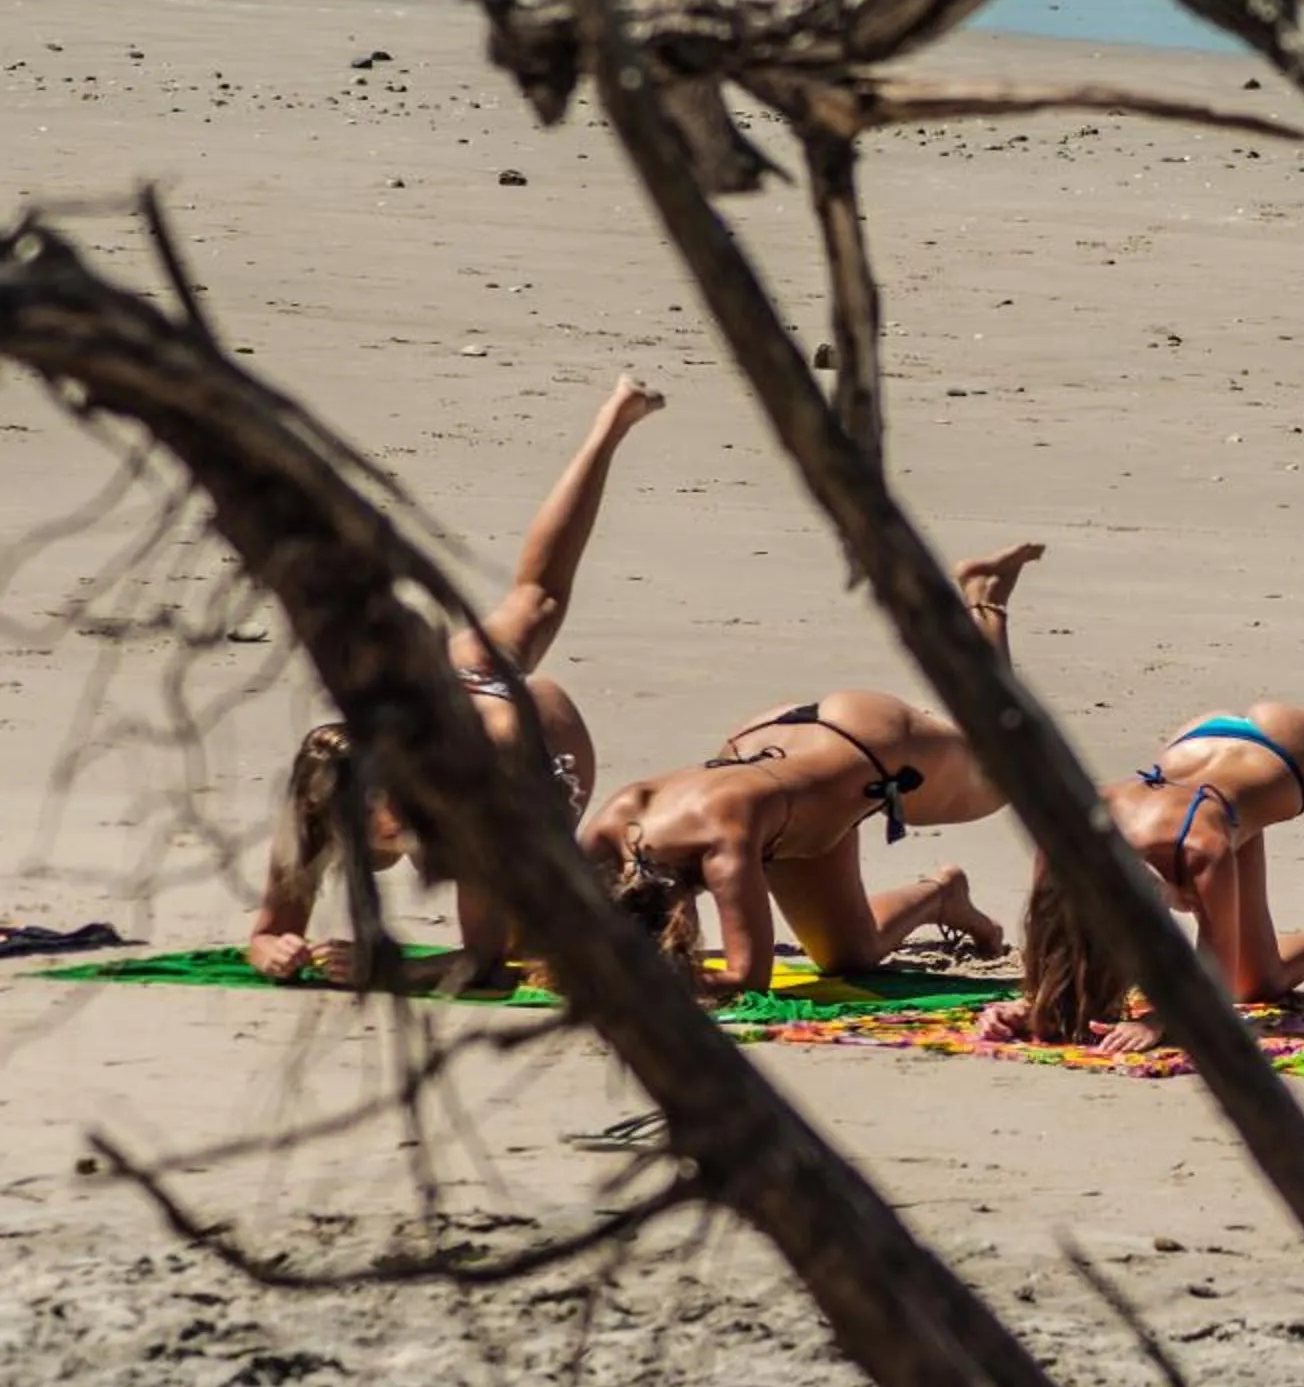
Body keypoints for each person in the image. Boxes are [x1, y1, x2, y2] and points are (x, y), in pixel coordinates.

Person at [248, 373, 663, 988]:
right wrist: (272, 950)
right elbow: (267, 928)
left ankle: (612, 423)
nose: (385, 823)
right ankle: (615, 420)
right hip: (452, 694)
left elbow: (487, 962)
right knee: (534, 600)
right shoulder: (317, 795)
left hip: (537, 743)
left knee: (532, 924)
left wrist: (386, 969)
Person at [985, 498, 1304, 1050]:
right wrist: (1031, 1005)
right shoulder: (1067, 839)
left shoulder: (1200, 849)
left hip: (1285, 752)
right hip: (1199, 763)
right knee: (1255, 984)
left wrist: (1163, 1021)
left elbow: (1209, 970)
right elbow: (1052, 936)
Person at [577, 543, 1042, 997]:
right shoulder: (612, 821)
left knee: (1005, 765)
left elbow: (747, 976)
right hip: (759, 752)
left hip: (862, 740)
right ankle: (943, 894)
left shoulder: (724, 843)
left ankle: (985, 598)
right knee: (848, 955)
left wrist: (651, 982)